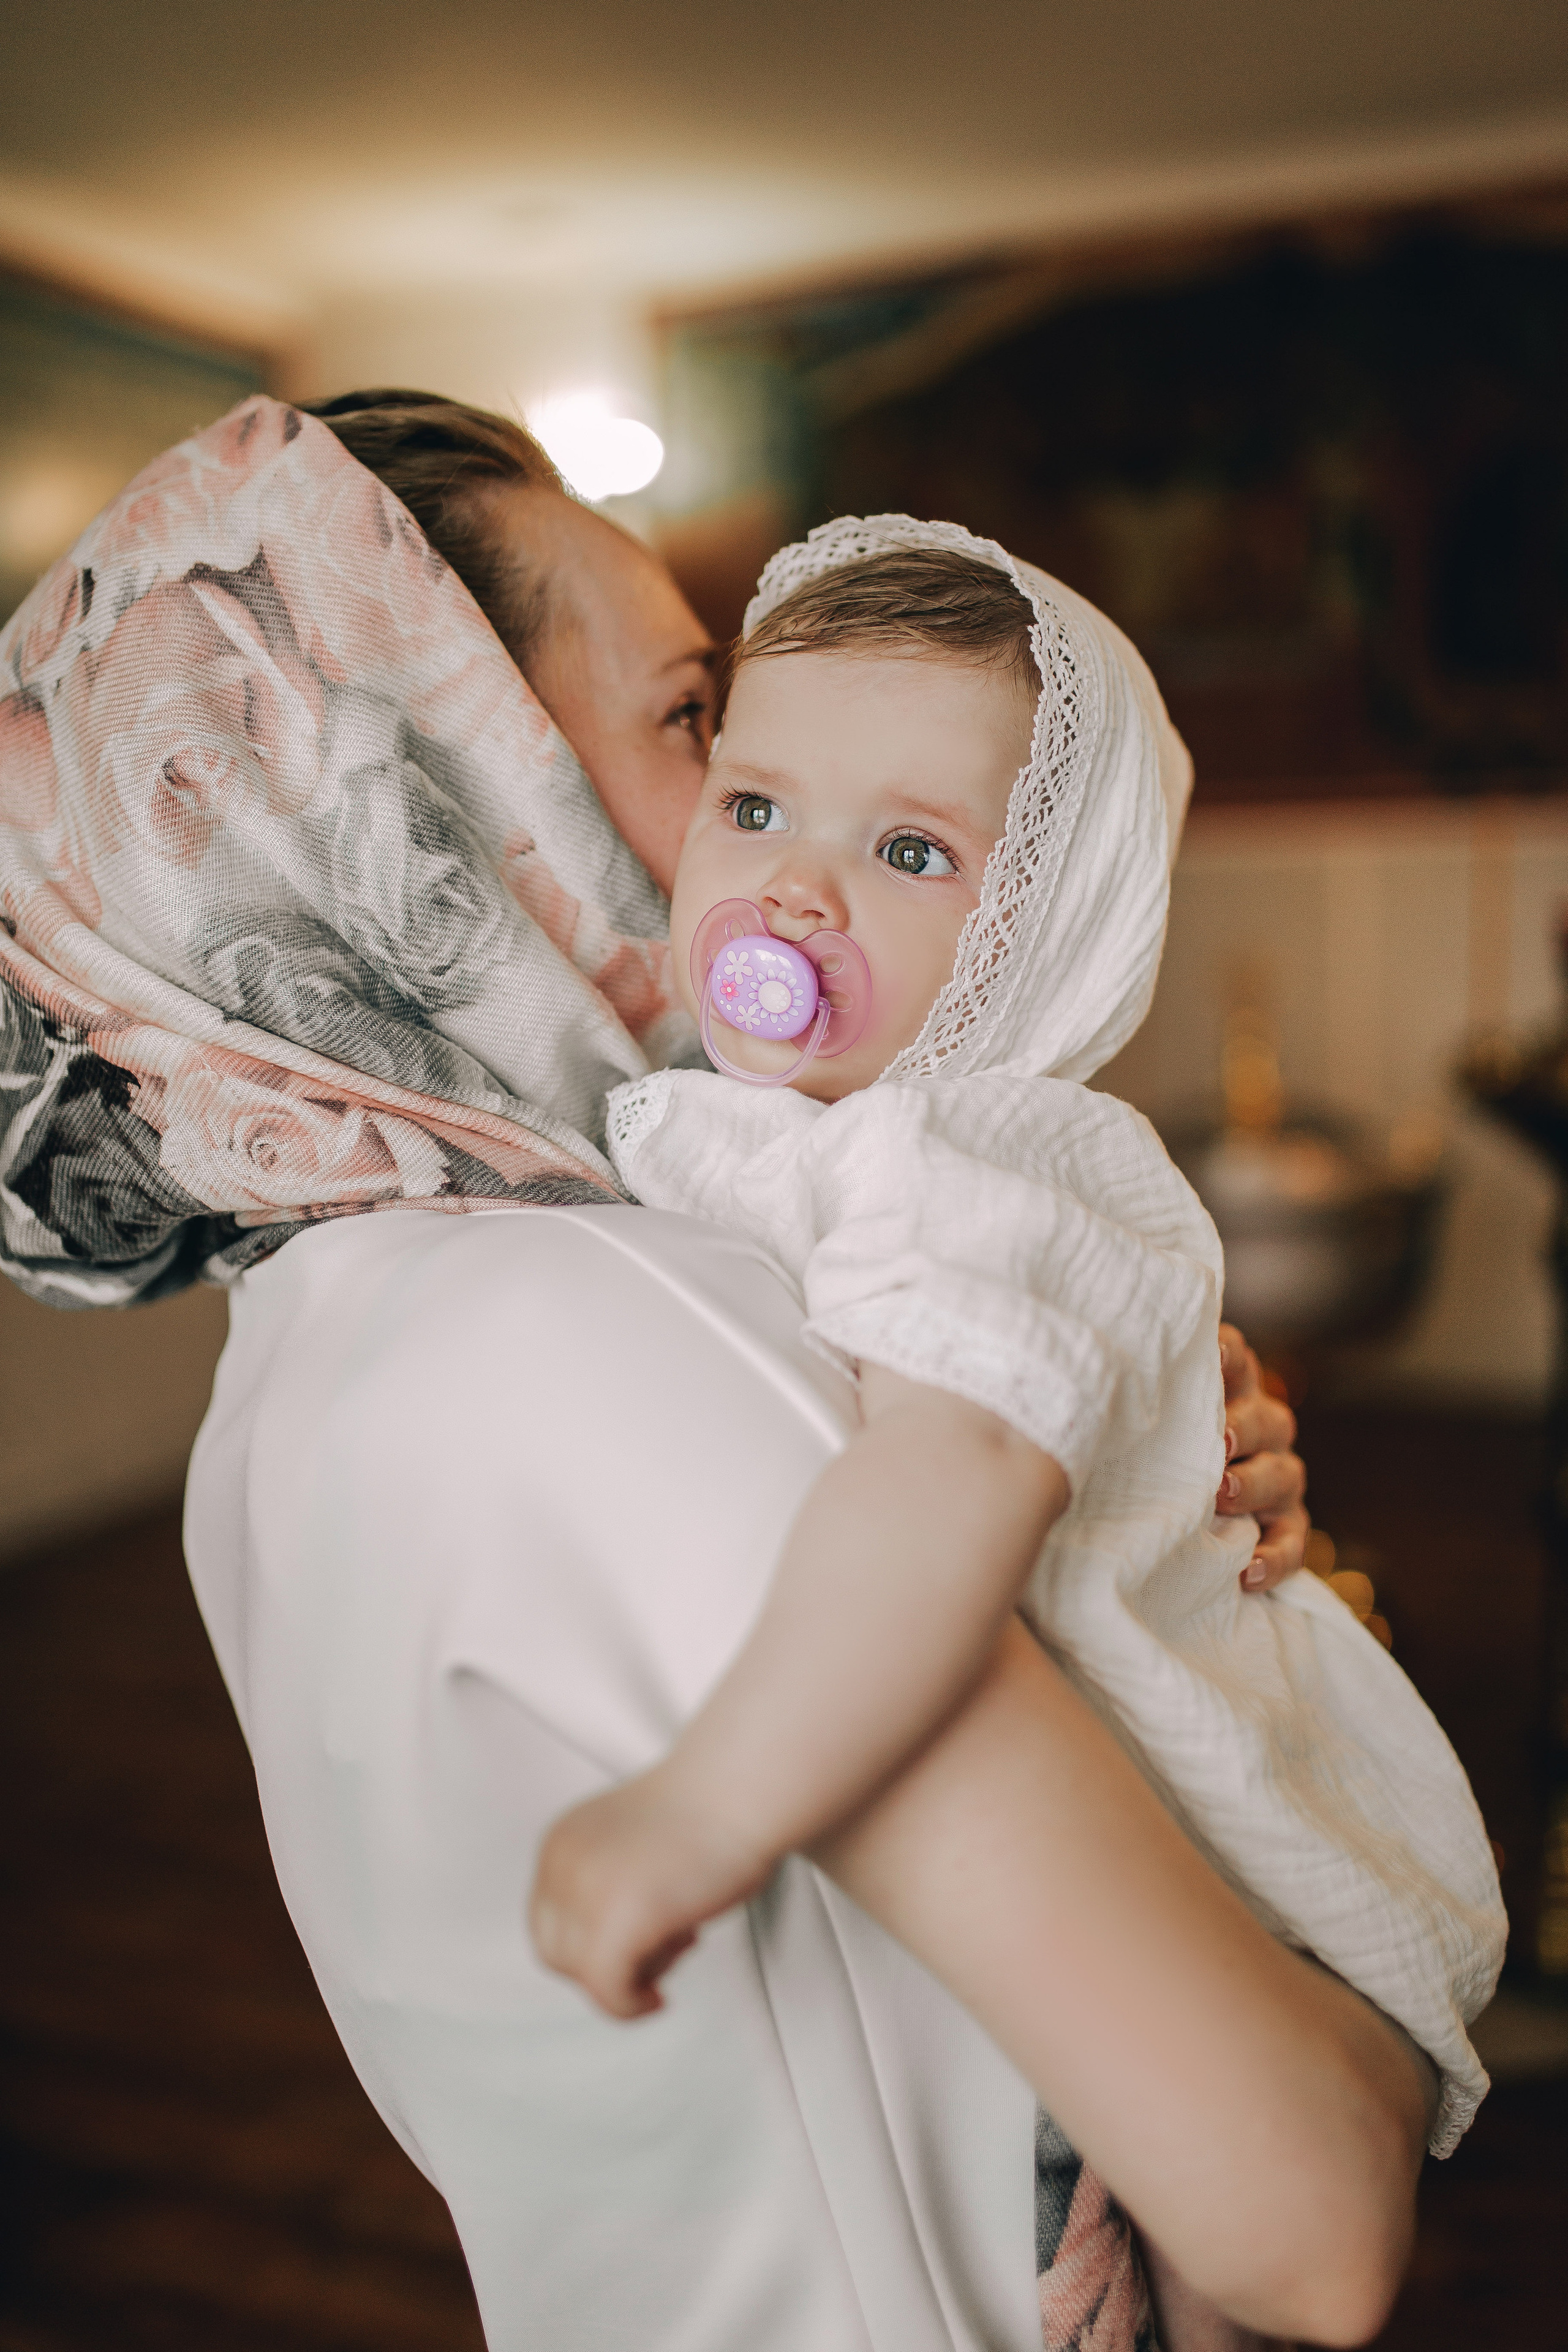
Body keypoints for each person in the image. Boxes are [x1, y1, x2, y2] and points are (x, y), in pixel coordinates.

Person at [0, 391, 1420, 2351]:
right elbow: (1311, 2223)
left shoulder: (329, 1323)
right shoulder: (591, 1329)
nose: (780, 869)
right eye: (707, 735)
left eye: (902, 835)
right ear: (437, 797)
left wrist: (1143, 1490)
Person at [529, 524, 1504, 2182]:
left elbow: (956, 1461)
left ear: (1043, 931)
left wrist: (703, 1811)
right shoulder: (766, 1117)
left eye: (911, 850)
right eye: (753, 807)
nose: (794, 888)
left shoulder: (958, 1151)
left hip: (1215, 1860)